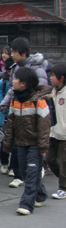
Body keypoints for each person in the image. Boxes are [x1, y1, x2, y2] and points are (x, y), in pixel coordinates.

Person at [2, 67, 52, 215]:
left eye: (15, 79)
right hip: (21, 143)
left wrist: (43, 146)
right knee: (25, 172)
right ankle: (41, 194)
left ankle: (26, 204)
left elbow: (44, 126)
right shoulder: (15, 100)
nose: (13, 81)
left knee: (31, 173)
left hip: (35, 144)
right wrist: (8, 144)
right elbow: (10, 125)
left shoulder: (39, 101)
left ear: (23, 83)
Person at [0, 37, 49, 114]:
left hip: (33, 110)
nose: (12, 55)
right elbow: (12, 88)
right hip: (18, 108)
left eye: (14, 52)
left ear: (24, 53)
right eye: (11, 52)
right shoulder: (15, 67)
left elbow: (42, 89)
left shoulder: (36, 67)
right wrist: (5, 102)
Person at [46, 63, 66, 200]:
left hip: (64, 134)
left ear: (62, 78)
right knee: (50, 159)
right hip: (53, 132)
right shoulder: (53, 91)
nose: (51, 78)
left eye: (53, 76)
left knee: (64, 162)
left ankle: (63, 188)